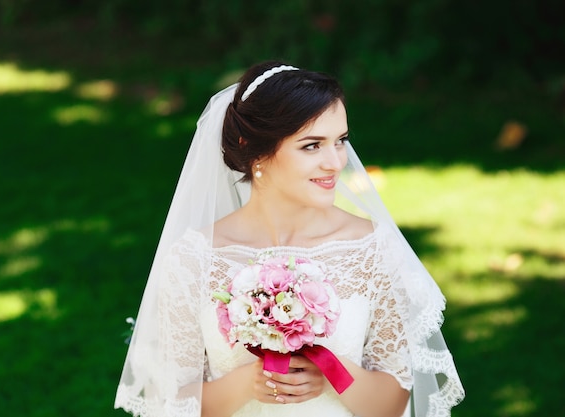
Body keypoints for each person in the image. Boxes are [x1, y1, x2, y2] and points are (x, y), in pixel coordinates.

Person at [114, 61, 465, 417]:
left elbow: (391, 404)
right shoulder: (195, 259)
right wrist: (248, 382)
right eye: (312, 146)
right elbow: (169, 400)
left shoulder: (372, 248)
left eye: (340, 141)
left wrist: (331, 374)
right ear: (253, 150)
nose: (335, 162)